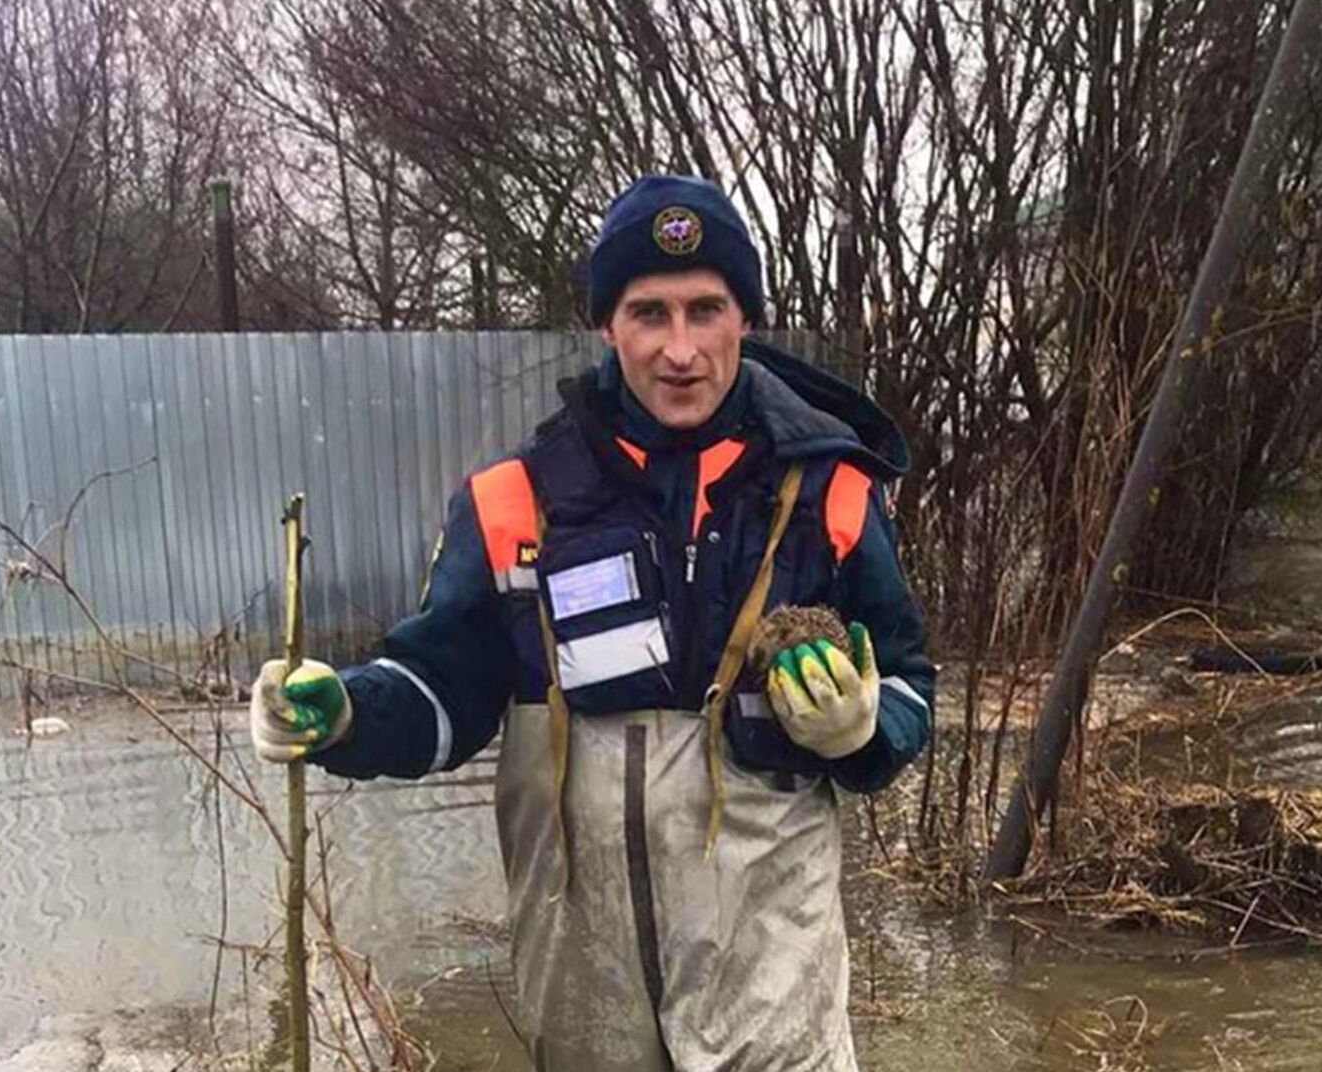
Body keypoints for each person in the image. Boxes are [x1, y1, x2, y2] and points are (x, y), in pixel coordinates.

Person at [249, 174, 934, 1071]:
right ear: (608, 326)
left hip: (774, 992)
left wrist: (860, 726)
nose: (680, 349)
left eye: (706, 309)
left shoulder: (832, 493)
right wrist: (342, 711)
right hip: (583, 999)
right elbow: (441, 690)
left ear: (745, 319)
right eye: (650, 313)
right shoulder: (513, 503)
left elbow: (912, 690)